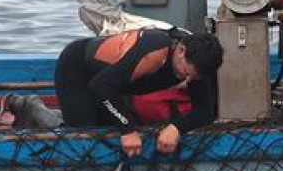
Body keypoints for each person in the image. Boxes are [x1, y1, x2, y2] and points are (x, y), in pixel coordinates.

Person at [54, 28, 224, 157]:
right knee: (85, 134)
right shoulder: (154, 53)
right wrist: (127, 130)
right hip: (79, 68)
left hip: (113, 84)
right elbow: (101, 87)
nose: (187, 81)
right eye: (185, 74)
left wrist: (176, 128)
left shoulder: (198, 63)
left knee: (110, 126)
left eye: (193, 78)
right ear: (181, 51)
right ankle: (41, 114)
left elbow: (204, 113)